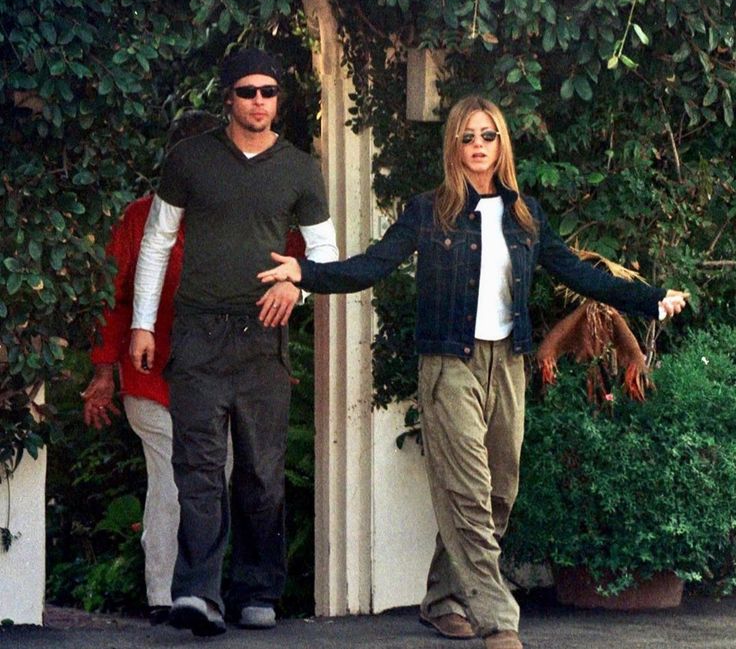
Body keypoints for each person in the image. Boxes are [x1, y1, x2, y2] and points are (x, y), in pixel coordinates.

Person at [257, 95, 688, 649]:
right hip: (448, 364)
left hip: (507, 362)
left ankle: (441, 600)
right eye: (467, 137)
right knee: (468, 493)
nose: (478, 145)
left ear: (501, 144)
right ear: (454, 146)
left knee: (499, 494)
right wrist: (307, 273)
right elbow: (371, 265)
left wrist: (649, 300)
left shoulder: (526, 215)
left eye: (487, 136)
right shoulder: (427, 211)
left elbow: (580, 274)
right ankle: (498, 622)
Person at [129, 48, 338, 637]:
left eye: (269, 92)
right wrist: (144, 324)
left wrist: (296, 288)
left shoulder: (299, 168)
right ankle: (198, 593)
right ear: (228, 96)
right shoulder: (189, 159)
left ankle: (257, 588)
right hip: (196, 334)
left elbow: (324, 255)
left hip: (262, 339)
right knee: (196, 467)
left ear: (280, 100)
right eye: (247, 91)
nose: (258, 102)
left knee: (262, 472)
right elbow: (155, 242)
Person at [81, 110, 221, 626]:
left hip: (214, 375)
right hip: (149, 374)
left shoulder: (234, 216)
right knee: (174, 474)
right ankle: (167, 595)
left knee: (212, 475)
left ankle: (200, 592)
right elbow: (112, 298)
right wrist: (102, 370)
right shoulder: (140, 218)